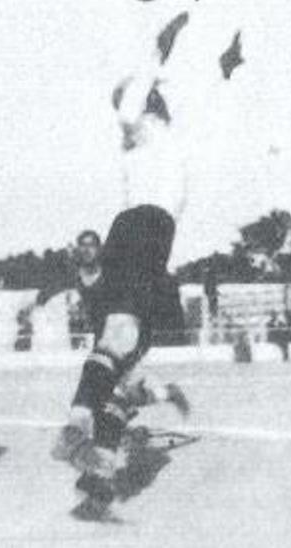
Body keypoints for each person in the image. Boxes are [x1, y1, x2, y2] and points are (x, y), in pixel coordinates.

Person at [49, 205, 191, 521]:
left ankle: (78, 425)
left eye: (91, 245)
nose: (86, 250)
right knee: (116, 404)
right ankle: (101, 483)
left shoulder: (120, 265)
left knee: (106, 369)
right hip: (120, 332)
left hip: (127, 329)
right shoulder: (92, 276)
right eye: (81, 246)